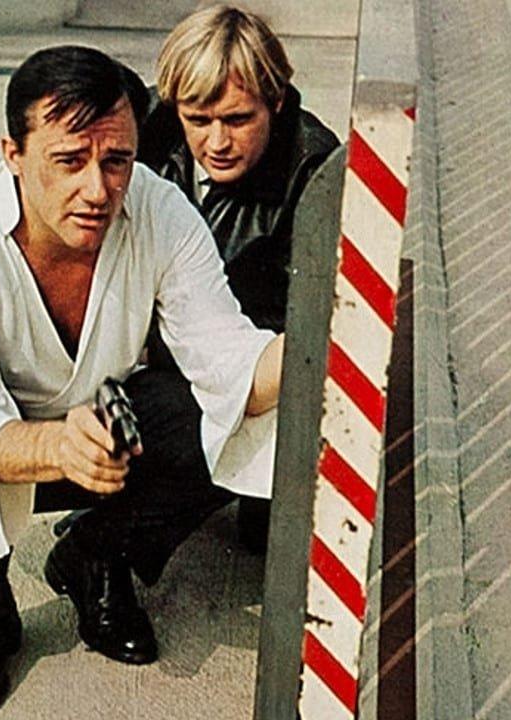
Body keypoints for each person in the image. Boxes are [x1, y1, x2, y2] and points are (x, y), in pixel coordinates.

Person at [0, 45, 284, 718]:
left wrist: (318, 350)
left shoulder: (161, 210)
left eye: (117, 160)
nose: (98, 190)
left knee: (235, 413)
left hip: (105, 419)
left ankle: (97, 556)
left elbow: (228, 360)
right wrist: (56, 446)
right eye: (69, 161)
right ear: (13, 154)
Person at [138, 5, 340, 552]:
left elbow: (311, 326)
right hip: (151, 346)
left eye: (238, 120)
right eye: (198, 120)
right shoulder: (146, 128)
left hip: (251, 362)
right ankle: (108, 536)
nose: (217, 142)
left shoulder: (313, 171)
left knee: (263, 536)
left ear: (276, 100)